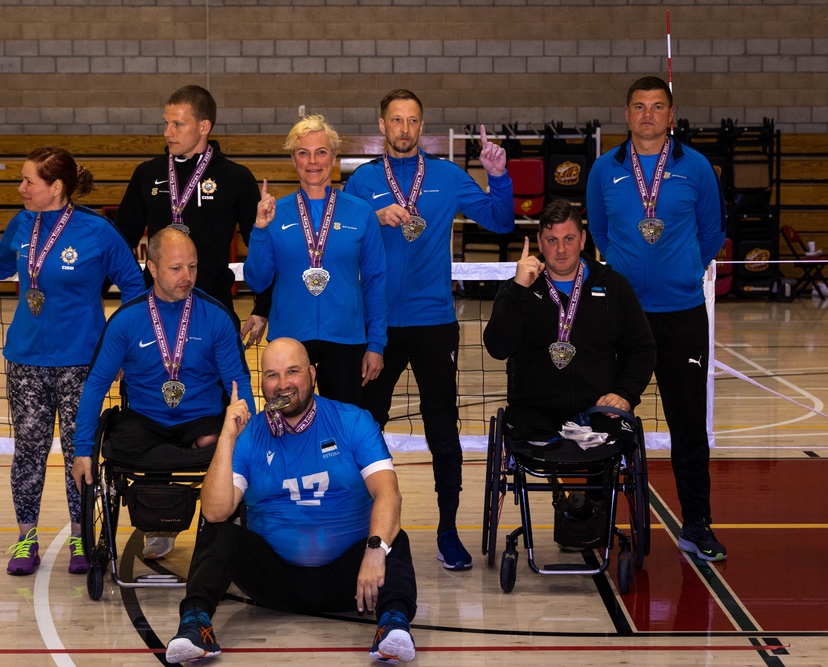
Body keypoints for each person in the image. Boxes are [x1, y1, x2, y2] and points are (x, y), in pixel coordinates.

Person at [0, 147, 145, 576]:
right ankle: (26, 539)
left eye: (28, 181)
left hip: (81, 365)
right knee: (29, 452)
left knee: (81, 452)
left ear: (56, 187)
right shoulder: (21, 225)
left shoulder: (97, 231)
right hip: (26, 361)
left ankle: (80, 536)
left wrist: (125, 347)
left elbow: (132, 285)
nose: (21, 188)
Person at [164, 338, 417, 665]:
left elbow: (388, 494)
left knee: (392, 538)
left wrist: (374, 551)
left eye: (292, 372)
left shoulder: (352, 421)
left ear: (312, 374)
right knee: (218, 532)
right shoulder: (251, 434)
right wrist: (227, 437)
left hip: (350, 579)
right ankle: (195, 624)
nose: (282, 384)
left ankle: (392, 624)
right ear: (262, 382)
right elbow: (215, 510)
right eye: (272, 375)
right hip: (273, 582)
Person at [344, 89, 515, 570]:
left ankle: (447, 530)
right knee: (365, 429)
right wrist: (371, 218)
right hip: (375, 328)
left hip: (435, 324)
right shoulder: (360, 183)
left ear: (423, 127)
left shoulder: (446, 176)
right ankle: (365, 526)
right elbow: (339, 240)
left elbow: (500, 222)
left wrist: (498, 176)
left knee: (443, 428)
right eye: (396, 120)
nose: (404, 129)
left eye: (413, 121)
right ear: (382, 125)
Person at [586, 75, 728, 561]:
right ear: (626, 114)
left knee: (688, 423)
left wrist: (682, 269)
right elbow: (600, 234)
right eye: (639, 107)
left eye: (658, 106)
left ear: (671, 115)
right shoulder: (606, 170)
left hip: (681, 314)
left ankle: (697, 523)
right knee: (604, 416)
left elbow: (712, 234)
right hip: (620, 318)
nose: (648, 115)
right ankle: (593, 516)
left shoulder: (697, 169)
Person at [71, 229, 256, 562]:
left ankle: (218, 521)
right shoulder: (126, 320)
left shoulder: (216, 316)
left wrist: (252, 439)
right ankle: (158, 526)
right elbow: (96, 384)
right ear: (152, 268)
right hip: (145, 420)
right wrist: (83, 450)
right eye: (176, 268)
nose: (187, 277)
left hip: (201, 419)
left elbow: (238, 382)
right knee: (124, 442)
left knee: (219, 440)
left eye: (193, 267)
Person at [483, 200, 656, 442]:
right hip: (534, 413)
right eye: (552, 240)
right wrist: (518, 290)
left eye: (569, 239)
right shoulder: (518, 290)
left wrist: (625, 394)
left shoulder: (614, 286)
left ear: (583, 239)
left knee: (621, 441)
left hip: (599, 410)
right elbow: (498, 348)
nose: (561, 249)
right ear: (540, 241)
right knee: (520, 431)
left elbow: (642, 349)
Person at [246, 115, 387, 407]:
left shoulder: (361, 213)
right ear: (293, 160)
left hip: (346, 340)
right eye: (303, 153)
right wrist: (259, 230)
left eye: (321, 152)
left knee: (343, 427)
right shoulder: (275, 213)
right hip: (290, 340)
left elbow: (375, 282)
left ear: (333, 158)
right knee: (287, 427)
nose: (313, 161)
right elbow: (257, 280)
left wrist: (376, 344)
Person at [112, 84, 268, 348]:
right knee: (145, 387)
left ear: (204, 126)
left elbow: (262, 247)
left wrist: (263, 306)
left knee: (220, 388)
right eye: (166, 123)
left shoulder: (236, 178)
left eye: (177, 124)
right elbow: (118, 241)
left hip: (214, 307)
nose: (167, 133)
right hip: (153, 310)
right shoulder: (147, 174)